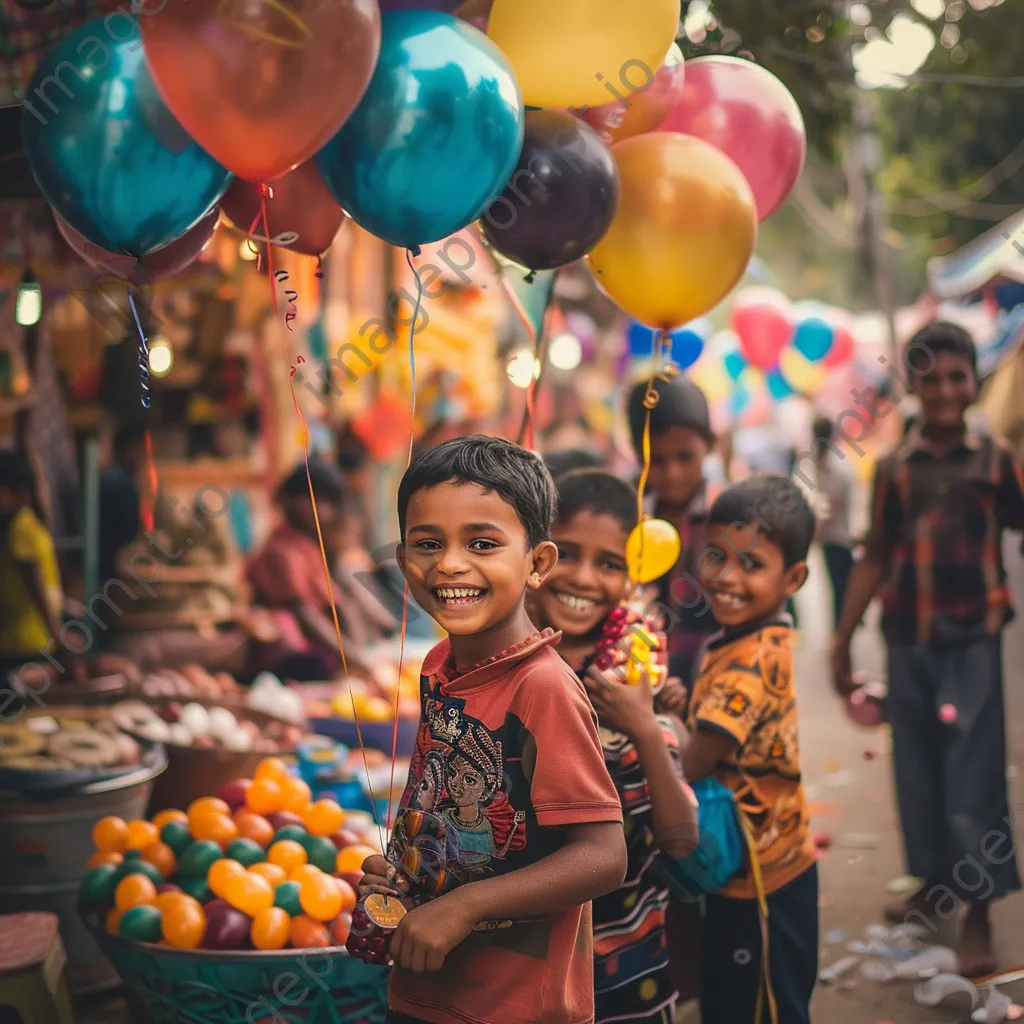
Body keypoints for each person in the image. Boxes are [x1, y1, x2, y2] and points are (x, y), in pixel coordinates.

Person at [358, 435, 627, 1024]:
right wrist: (410, 872)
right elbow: (438, 800)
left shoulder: (544, 691)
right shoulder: (437, 666)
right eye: (429, 544)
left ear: (538, 564)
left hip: (512, 1004)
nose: (451, 564)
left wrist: (464, 906)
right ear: (404, 562)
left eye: (482, 543)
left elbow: (604, 856)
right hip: (427, 989)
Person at [832, 322, 1024, 978]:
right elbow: (875, 557)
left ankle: (978, 911)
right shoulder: (892, 468)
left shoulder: (997, 459)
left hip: (973, 642)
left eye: (957, 377)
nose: (944, 391)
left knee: (973, 774)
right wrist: (840, 637)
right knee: (916, 770)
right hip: (907, 639)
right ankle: (934, 886)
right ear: (911, 384)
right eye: (930, 377)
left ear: (975, 381)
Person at [528, 468, 699, 1023]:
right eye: (567, 553)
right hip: (522, 973)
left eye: (609, 564)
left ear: (632, 578)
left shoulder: (634, 675)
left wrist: (647, 728)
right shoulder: (508, 663)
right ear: (537, 554)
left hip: (628, 968)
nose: (581, 578)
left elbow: (680, 840)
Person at [682, 474, 819, 1024]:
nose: (727, 577)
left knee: (758, 1004)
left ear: (794, 577)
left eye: (752, 564)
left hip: (759, 879)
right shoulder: (758, 636)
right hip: (770, 857)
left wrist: (641, 719)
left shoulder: (747, 666)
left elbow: (692, 762)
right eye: (716, 556)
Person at [247, 462, 392, 679]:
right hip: (294, 663)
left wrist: (361, 653)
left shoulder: (309, 547)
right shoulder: (279, 551)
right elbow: (305, 616)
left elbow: (337, 603)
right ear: (289, 498)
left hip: (330, 657)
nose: (322, 511)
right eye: (314, 500)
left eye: (328, 503)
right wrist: (354, 658)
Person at [0, 450, 68, 678]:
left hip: (23, 640)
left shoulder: (18, 525)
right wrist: (58, 635)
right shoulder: (22, 527)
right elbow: (34, 586)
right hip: (29, 642)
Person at [805, 415, 854, 630]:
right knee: (839, 588)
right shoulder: (828, 463)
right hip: (837, 535)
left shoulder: (826, 463)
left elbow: (829, 501)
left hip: (836, 536)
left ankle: (842, 631)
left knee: (840, 589)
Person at [98, 422, 145, 583]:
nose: (144, 458)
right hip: (107, 570)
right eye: (141, 450)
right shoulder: (120, 483)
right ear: (130, 448)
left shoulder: (111, 478)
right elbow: (128, 532)